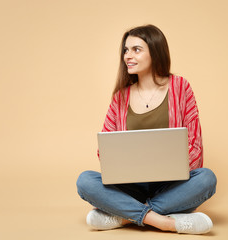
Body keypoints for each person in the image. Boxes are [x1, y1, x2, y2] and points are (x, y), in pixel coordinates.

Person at [76, 24, 217, 235]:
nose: (127, 56)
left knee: (207, 178)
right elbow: (104, 150)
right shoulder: (120, 97)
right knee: (85, 181)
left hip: (172, 186)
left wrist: (169, 167)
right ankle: (165, 222)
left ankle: (124, 217)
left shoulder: (181, 87)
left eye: (136, 49)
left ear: (155, 51)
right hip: (130, 186)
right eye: (125, 50)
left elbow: (195, 146)